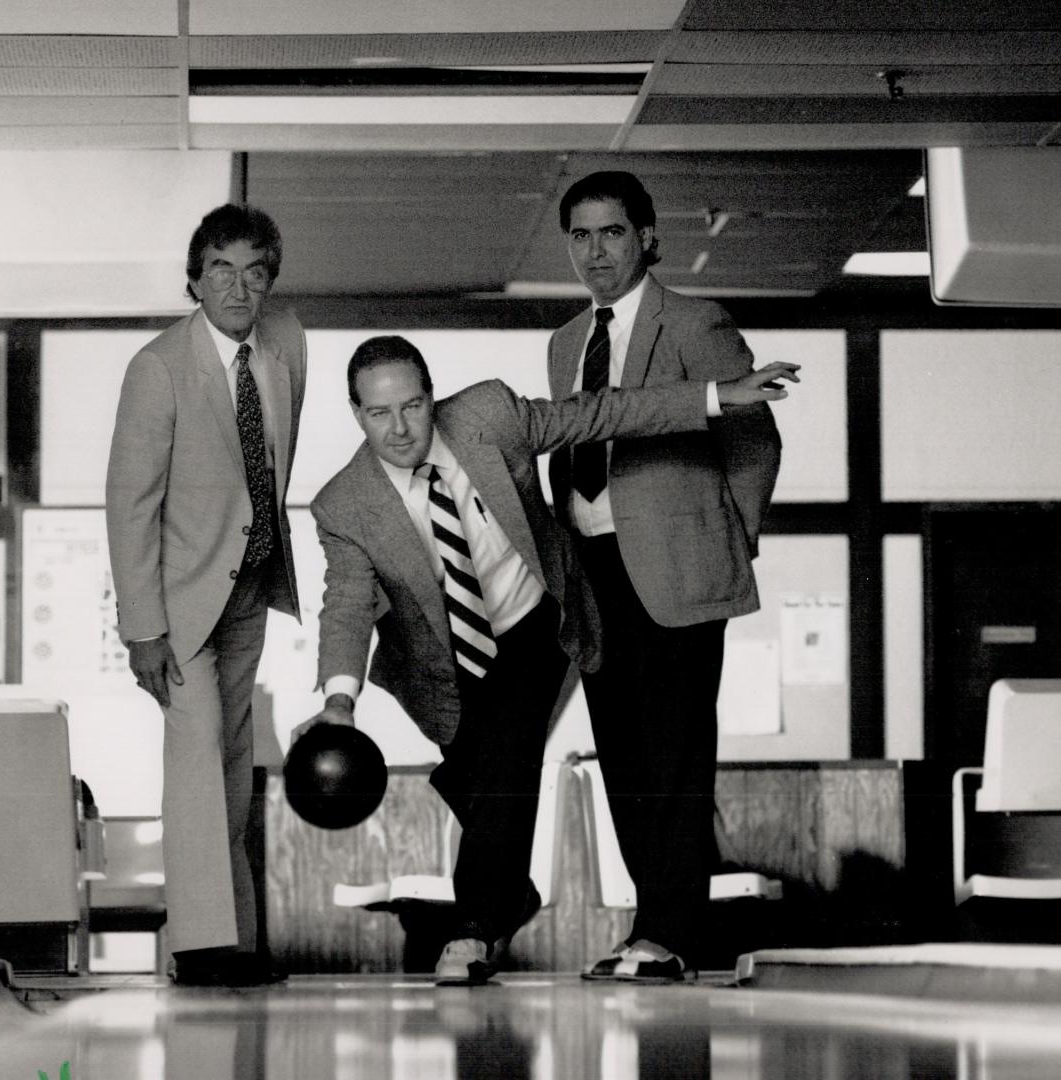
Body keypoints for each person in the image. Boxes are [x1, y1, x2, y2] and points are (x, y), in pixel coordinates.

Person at [293, 335, 795, 986]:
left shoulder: (488, 418)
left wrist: (714, 396)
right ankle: (509, 895)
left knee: (509, 748)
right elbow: (347, 603)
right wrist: (338, 703)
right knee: (477, 773)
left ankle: (474, 929)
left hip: (536, 619)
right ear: (357, 413)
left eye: (413, 407)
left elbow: (600, 414)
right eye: (379, 413)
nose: (399, 428)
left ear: (432, 397)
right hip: (445, 658)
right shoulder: (343, 504)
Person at [547, 170, 783, 983]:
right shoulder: (565, 341)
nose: (595, 252)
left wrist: (730, 540)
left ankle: (672, 930)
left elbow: (753, 440)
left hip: (678, 573)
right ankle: (649, 925)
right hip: (593, 572)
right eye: (579, 236)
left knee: (676, 754)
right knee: (623, 756)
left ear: (646, 237)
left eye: (611, 232)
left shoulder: (693, 321)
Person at [106, 202, 306, 986]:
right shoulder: (158, 367)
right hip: (181, 603)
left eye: (254, 271)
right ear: (193, 279)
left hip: (249, 590)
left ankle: (239, 941)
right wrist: (141, 629)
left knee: (231, 773)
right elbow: (130, 504)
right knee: (195, 769)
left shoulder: (282, 350)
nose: (238, 286)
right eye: (220, 269)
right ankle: (201, 947)